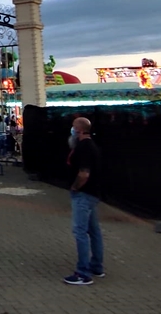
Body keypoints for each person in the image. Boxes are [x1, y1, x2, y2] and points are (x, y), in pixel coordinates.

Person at [64, 117, 104, 286]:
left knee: (80, 232)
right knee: (93, 231)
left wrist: (75, 187)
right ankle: (96, 266)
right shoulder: (91, 146)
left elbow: (84, 173)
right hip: (92, 194)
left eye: (73, 128)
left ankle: (83, 273)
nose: (72, 130)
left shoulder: (84, 148)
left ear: (79, 130)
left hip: (83, 194)